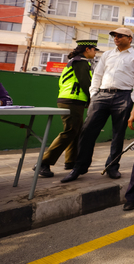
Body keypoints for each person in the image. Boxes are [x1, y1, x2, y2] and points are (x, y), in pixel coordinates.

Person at [61, 27, 134, 183]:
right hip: (101, 95)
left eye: (120, 36)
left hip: (123, 96)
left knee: (118, 134)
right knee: (87, 132)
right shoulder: (107, 55)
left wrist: (132, 100)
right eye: (114, 35)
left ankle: (112, 167)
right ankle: (79, 168)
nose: (116, 38)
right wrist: (94, 95)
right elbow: (97, 75)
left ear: (130, 39)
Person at [34, 39, 98, 177]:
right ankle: (43, 163)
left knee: (76, 131)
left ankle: (71, 161)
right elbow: (85, 83)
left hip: (73, 100)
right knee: (70, 131)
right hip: (72, 100)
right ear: (87, 49)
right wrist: (92, 99)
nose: (95, 52)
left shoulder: (76, 61)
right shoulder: (80, 62)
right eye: (94, 49)